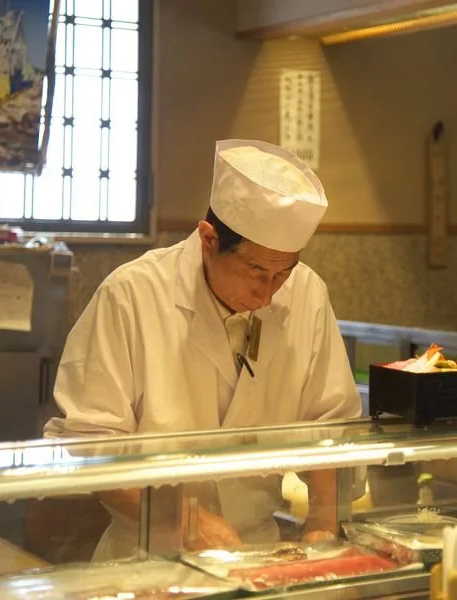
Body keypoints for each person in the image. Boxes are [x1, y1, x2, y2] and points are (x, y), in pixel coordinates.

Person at [45, 139, 361, 558]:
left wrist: (322, 526)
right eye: (255, 271)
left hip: (257, 553)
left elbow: (331, 427)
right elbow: (89, 444)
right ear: (208, 239)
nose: (268, 294)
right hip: (147, 556)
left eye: (283, 273)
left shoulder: (308, 294)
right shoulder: (132, 294)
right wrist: (186, 522)